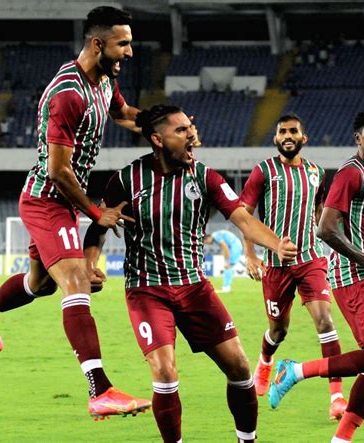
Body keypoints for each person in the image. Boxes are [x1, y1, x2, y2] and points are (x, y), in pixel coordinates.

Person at [0, 6, 152, 419]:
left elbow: (122, 113)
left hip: (61, 201)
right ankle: (100, 390)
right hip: (48, 200)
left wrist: (166, 125)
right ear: (98, 44)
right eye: (124, 44)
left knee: (39, 285)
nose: (130, 52)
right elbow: (59, 170)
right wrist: (96, 213)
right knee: (78, 282)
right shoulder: (68, 94)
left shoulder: (102, 81)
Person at [83, 105, 298, 442]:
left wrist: (275, 244)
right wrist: (89, 264)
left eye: (190, 128)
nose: (192, 135)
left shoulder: (206, 177)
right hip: (147, 290)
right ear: (157, 139)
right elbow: (98, 227)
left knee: (240, 368)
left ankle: (248, 440)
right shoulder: (126, 179)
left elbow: (242, 218)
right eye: (181, 130)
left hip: (195, 287)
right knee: (165, 372)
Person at [268, 108, 364, 442]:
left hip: (363, 276)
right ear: (358, 137)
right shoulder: (352, 173)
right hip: (352, 276)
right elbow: (325, 229)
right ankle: (295, 370)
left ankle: (340, 440)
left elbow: (358, 233)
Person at [240, 113, 347, 420]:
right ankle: (265, 361)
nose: (288, 135)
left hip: (310, 258)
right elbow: (244, 214)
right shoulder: (263, 171)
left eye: (294, 131)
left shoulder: (316, 172)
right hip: (275, 264)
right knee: (278, 329)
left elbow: (319, 209)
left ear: (304, 138)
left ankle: (337, 397)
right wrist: (250, 254)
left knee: (325, 321)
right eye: (282, 131)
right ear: (275, 139)